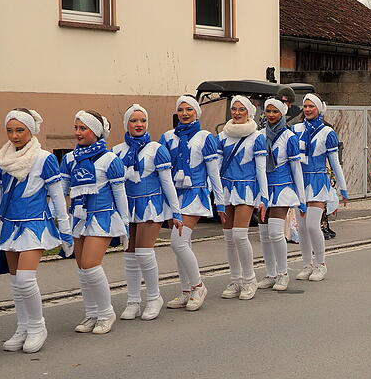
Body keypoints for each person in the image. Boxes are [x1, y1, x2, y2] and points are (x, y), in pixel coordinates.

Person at [0, 108, 71, 353]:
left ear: (31, 131)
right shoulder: (1, 161)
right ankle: (23, 326)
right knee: (15, 282)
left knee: (25, 278)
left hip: (35, 224)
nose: (14, 136)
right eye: (10, 130)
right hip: (9, 226)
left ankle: (37, 327)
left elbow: (57, 197)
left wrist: (65, 230)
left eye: (20, 130)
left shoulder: (44, 159)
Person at [60, 111, 129, 334]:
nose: (78, 132)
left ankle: (106, 312)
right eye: (76, 128)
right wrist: (58, 216)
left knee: (90, 265)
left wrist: (125, 225)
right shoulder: (69, 159)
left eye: (83, 128)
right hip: (79, 217)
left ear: (96, 132)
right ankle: (92, 313)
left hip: (103, 217)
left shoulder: (110, 160)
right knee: (82, 268)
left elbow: (120, 195)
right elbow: (61, 191)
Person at [113, 104, 183, 320]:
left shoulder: (156, 149)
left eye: (142, 120)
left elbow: (167, 182)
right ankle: (133, 300)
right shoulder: (116, 151)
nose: (139, 125)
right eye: (134, 121)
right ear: (126, 124)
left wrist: (176, 212)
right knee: (130, 255)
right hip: (128, 208)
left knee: (144, 252)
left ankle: (154, 297)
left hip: (151, 205)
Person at [161, 95, 225, 310]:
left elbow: (214, 173)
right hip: (174, 196)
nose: (185, 113)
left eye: (189, 109)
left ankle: (198, 286)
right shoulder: (168, 137)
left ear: (197, 112)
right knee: (182, 245)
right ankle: (186, 290)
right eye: (181, 109)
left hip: (194, 193)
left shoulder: (205, 137)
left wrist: (220, 202)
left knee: (178, 242)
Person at [292, 93, 349, 281]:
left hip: (317, 181)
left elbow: (334, 163)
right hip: (300, 182)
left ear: (319, 109)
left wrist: (343, 188)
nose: (307, 109)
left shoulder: (327, 132)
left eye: (311, 106)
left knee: (312, 225)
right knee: (301, 227)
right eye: (305, 106)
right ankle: (307, 264)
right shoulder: (296, 129)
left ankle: (321, 264)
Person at [218, 95, 268, 299]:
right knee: (229, 238)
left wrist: (264, 197)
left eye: (241, 109)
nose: (237, 113)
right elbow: (216, 168)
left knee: (239, 235)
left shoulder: (257, 138)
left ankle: (249, 279)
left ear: (249, 112)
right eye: (234, 109)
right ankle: (236, 279)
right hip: (226, 189)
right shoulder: (222, 136)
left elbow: (261, 169)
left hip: (247, 189)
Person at [258, 98, 306, 290]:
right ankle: (270, 273)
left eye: (275, 112)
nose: (271, 115)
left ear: (282, 114)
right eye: (268, 111)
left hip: (282, 188)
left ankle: (283, 273)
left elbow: (296, 169)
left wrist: (301, 198)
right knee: (263, 234)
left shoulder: (289, 137)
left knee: (276, 233)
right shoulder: (259, 135)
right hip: (264, 189)